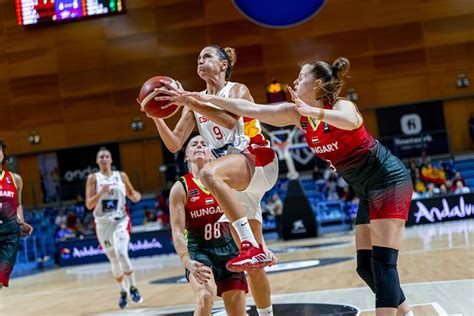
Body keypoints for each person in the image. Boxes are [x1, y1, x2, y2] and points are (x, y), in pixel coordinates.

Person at [168, 57, 415, 316]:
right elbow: (245, 108)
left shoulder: (341, 106)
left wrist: (315, 112)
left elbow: (350, 122)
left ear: (317, 84)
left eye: (301, 77)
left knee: (383, 264)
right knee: (365, 267)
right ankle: (407, 314)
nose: (295, 81)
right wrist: (194, 98)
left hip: (388, 180)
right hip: (365, 190)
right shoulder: (297, 115)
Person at [148, 45, 277, 315]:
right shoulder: (193, 101)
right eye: (197, 57)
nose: (200, 60)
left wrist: (191, 102)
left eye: (207, 56)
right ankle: (267, 309)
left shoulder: (237, 89)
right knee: (254, 267)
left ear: (223, 65)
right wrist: (155, 116)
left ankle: (251, 245)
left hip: (257, 160)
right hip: (235, 180)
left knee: (207, 173)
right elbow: (174, 144)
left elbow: (231, 122)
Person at [169, 135, 248, 316]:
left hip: (230, 250)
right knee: (205, 296)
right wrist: (186, 260)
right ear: (187, 155)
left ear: (212, 154)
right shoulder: (181, 187)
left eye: (204, 144)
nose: (199, 146)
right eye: (194, 144)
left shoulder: (226, 183)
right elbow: (177, 231)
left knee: (238, 313)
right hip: (199, 251)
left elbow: (243, 219)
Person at [85, 147, 143, 309]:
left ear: (111, 160)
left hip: (121, 220)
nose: (104, 159)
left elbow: (132, 194)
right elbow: (89, 204)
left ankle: (133, 287)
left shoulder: (121, 176)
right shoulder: (93, 178)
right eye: (101, 157)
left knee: (122, 253)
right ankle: (123, 291)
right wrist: (101, 192)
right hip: (103, 224)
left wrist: (136, 196)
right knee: (113, 259)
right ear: (97, 161)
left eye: (106, 156)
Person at [0, 140, 33, 288]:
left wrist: (21, 221)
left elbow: (18, 204)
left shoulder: (15, 179)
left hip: (9, 236)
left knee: (1, 279)